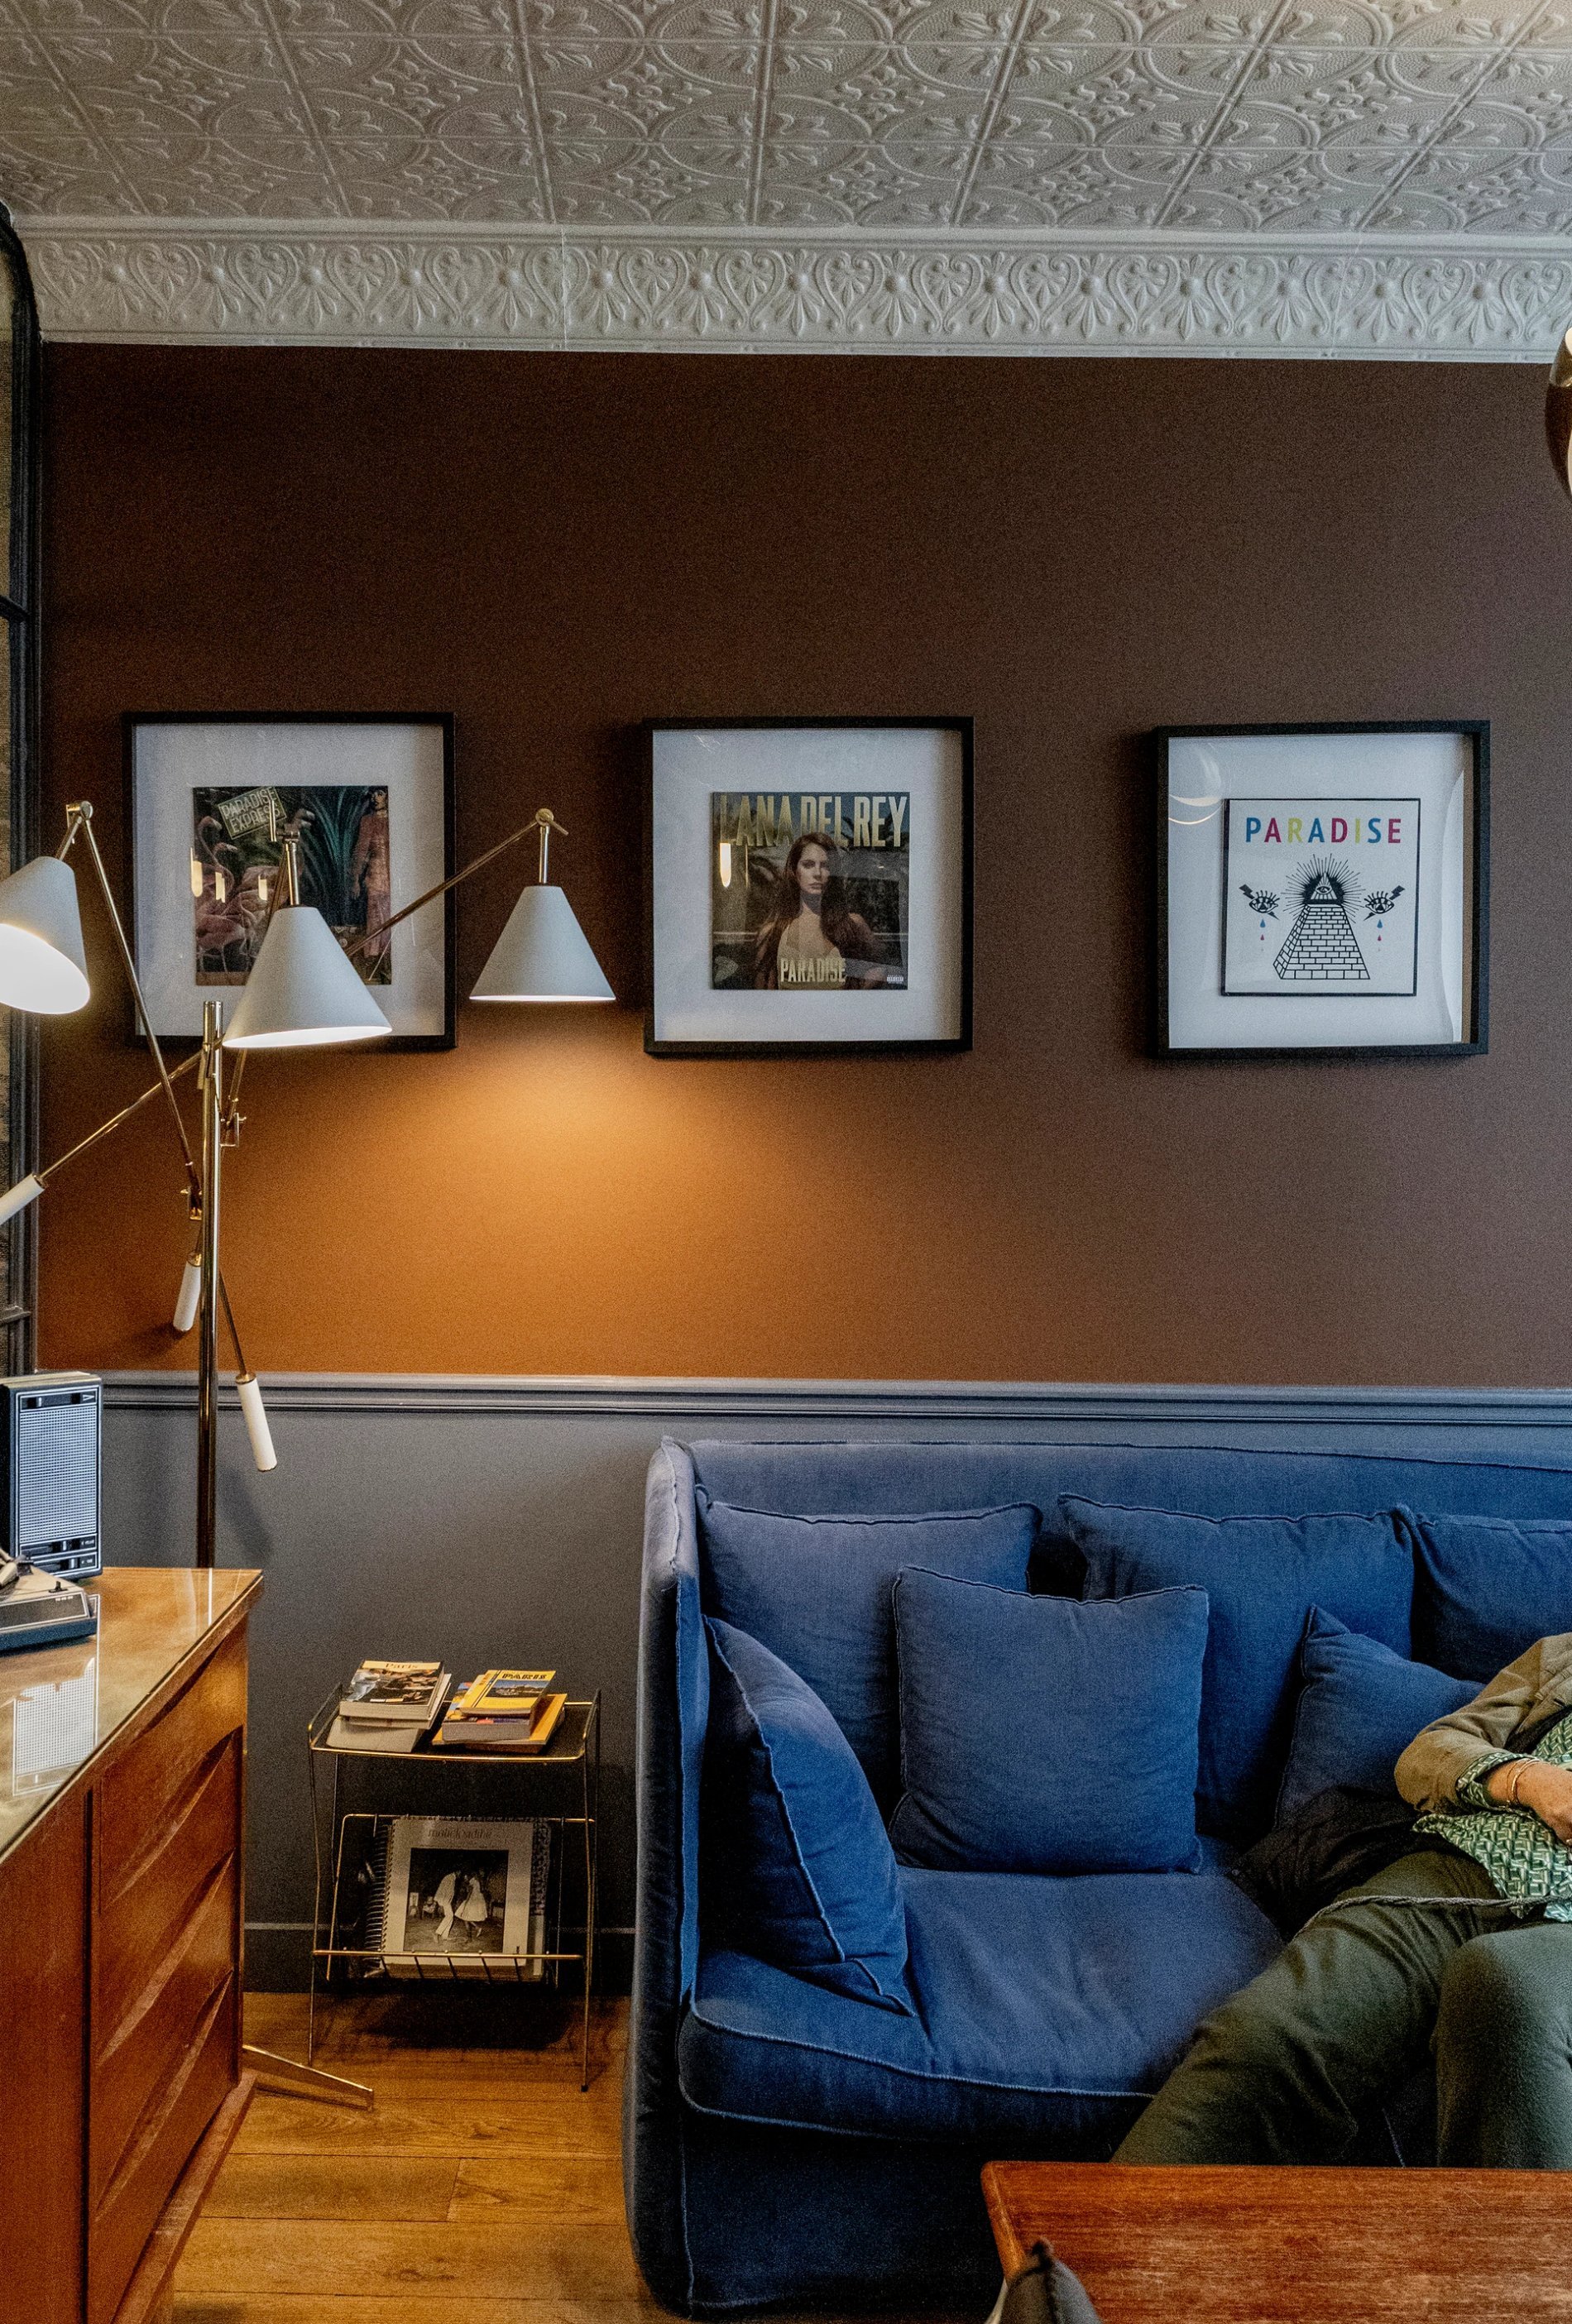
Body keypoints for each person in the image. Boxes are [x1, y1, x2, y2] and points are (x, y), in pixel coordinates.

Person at [1115, 1632, 1572, 2169]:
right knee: (1267, 2034)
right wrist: (1529, 1779)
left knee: (1506, 1984)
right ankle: (1105, 2225)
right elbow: (1431, 1752)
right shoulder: (1560, 1656)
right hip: (1459, 1869)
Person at [751, 834, 884, 990]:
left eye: (825, 866)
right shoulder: (773, 932)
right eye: (808, 865)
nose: (817, 873)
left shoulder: (853, 924)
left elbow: (881, 969)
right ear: (795, 871)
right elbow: (762, 990)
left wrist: (854, 995)